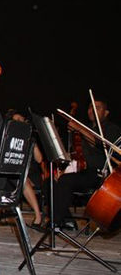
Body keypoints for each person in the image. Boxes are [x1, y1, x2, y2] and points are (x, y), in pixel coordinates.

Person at [52, 98, 121, 229]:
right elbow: (77, 155)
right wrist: (65, 169)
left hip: (100, 174)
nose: (92, 110)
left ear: (106, 113)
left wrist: (80, 129)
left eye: (97, 107)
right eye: (90, 107)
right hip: (83, 171)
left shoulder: (112, 129)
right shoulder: (86, 128)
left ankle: (55, 223)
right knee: (50, 182)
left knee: (65, 181)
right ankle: (66, 220)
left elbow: (101, 145)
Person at [6, 110, 45, 229]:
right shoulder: (8, 137)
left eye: (20, 119)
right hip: (13, 173)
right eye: (15, 120)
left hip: (31, 174)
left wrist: (33, 143)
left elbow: (39, 159)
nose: (18, 122)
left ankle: (38, 216)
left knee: (23, 180)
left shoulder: (30, 138)